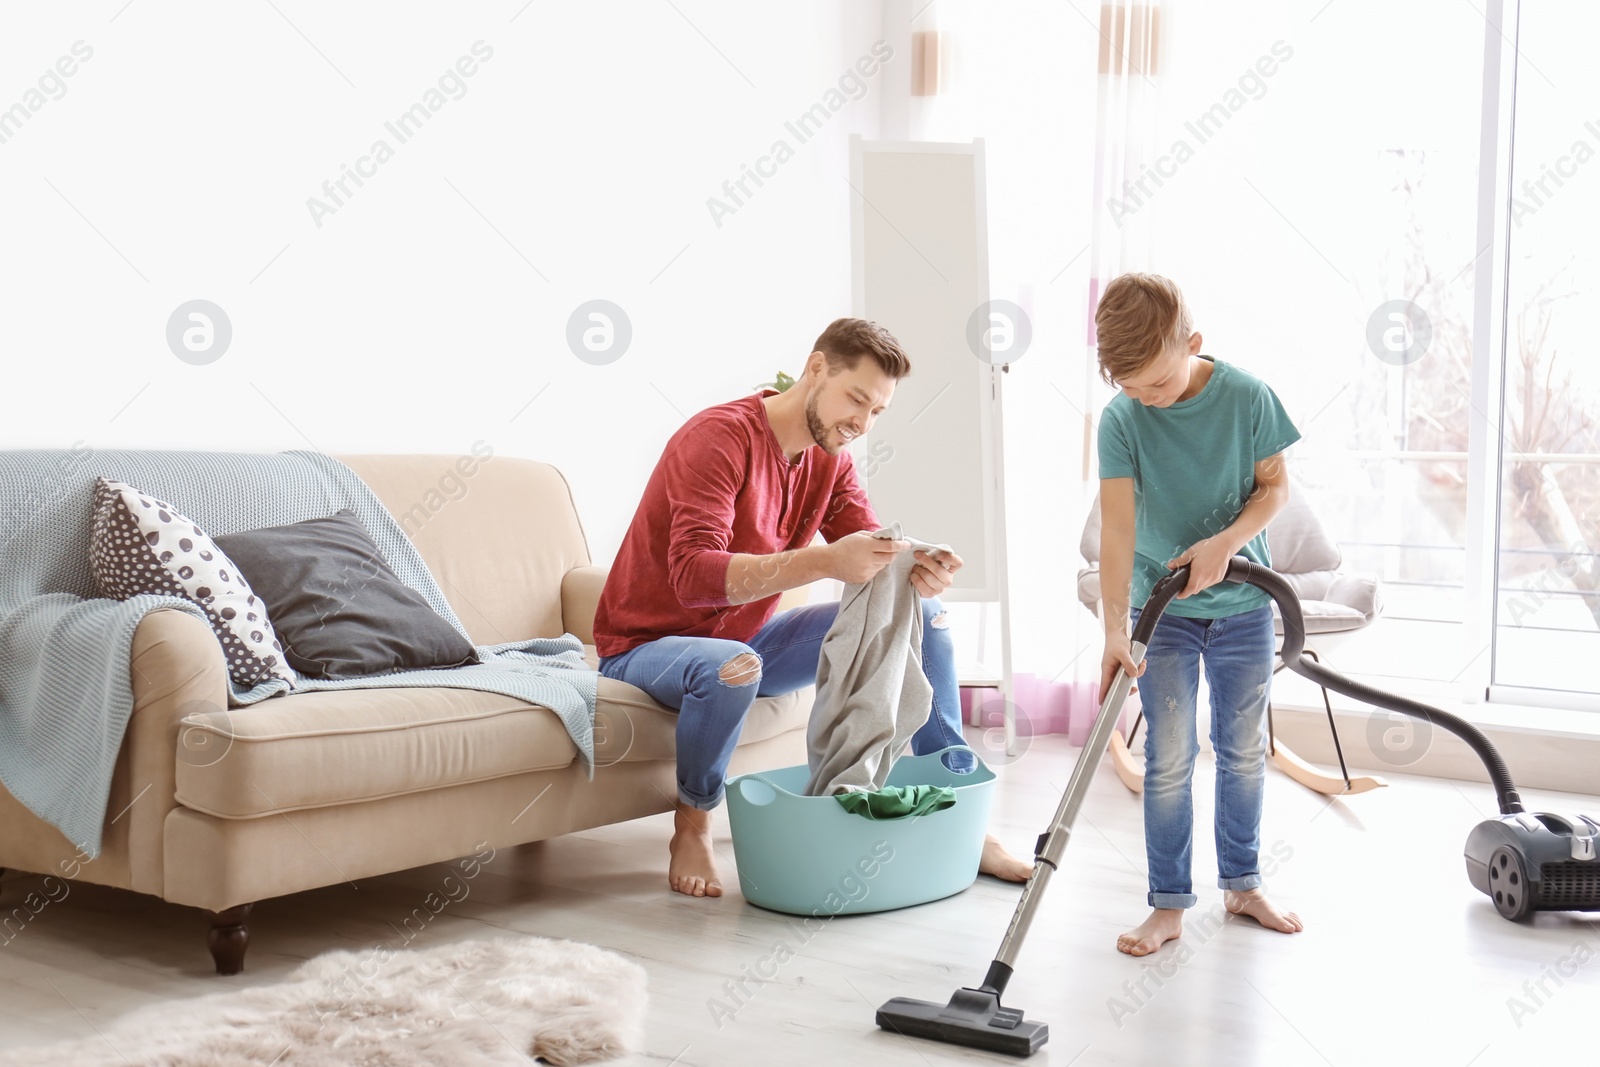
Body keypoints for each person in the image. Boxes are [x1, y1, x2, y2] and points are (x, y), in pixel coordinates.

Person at [593, 317, 1034, 897]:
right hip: (646, 646)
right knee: (731, 664)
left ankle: (956, 806)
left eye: (877, 412)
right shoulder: (718, 439)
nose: (862, 422)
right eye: (856, 399)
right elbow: (693, 577)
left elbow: (873, 550)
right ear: (817, 368)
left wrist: (915, 568)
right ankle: (693, 822)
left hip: (748, 640)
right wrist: (826, 563)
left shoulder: (830, 458)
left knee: (922, 618)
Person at [1093, 273, 1305, 955]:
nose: (1147, 398)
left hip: (1245, 605)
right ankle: (1168, 903)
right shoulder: (1122, 419)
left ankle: (1242, 884)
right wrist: (1114, 631)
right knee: (1169, 756)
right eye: (1131, 386)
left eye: (1157, 381)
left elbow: (1274, 488)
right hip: (1163, 614)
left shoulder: (1246, 396)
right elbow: (1119, 531)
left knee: (1243, 751)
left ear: (1194, 343)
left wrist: (1223, 544)